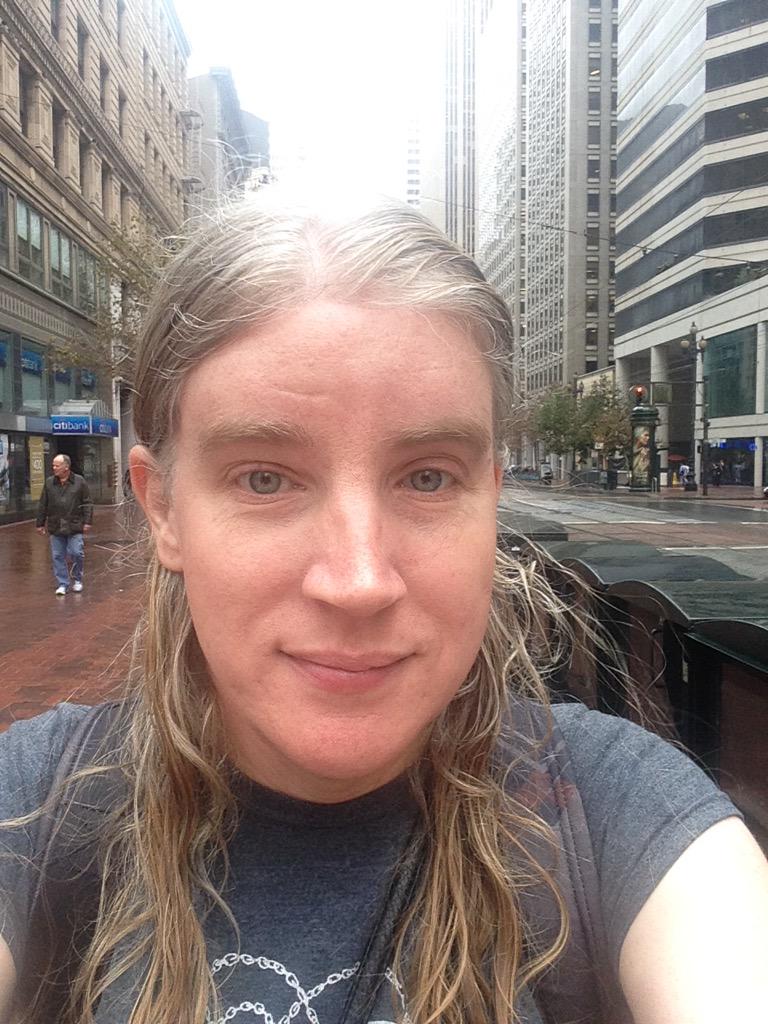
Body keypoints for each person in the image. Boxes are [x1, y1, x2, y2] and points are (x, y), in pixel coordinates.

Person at [2, 196, 767, 1024]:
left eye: (428, 478)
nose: (360, 581)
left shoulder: (620, 815)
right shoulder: (35, 806)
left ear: (491, 500)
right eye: (265, 478)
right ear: (163, 509)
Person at [35, 453, 93, 595]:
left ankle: (77, 578)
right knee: (57, 556)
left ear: (66, 467)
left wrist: (87, 521)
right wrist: (40, 523)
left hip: (74, 524)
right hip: (56, 525)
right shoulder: (49, 483)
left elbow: (87, 502)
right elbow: (43, 504)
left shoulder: (79, 482)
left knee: (76, 552)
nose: (54, 468)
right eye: (53, 465)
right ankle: (63, 583)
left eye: (57, 465)